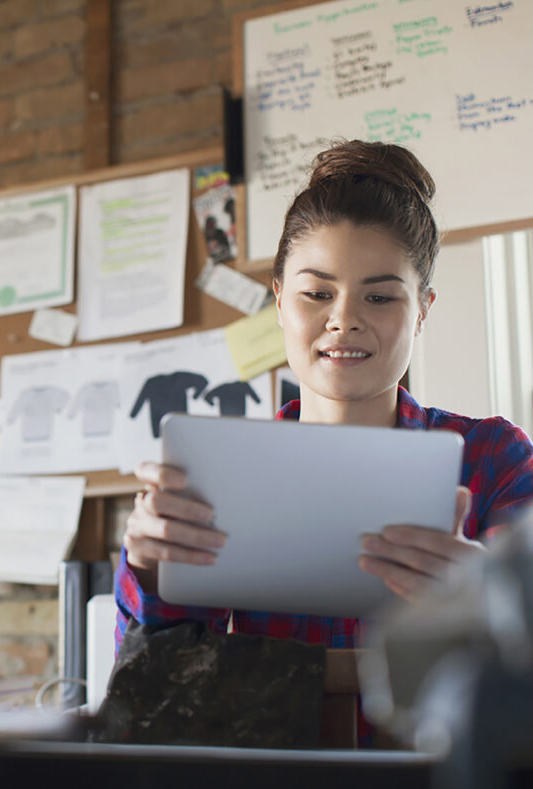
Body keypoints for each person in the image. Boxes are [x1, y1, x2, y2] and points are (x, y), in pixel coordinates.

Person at [117, 140, 533, 699]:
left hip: (445, 784)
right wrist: (147, 566)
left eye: (380, 298)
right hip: (276, 781)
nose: (344, 320)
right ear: (281, 300)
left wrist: (493, 596)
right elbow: (162, 687)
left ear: (423, 310)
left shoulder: (493, 457)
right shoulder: (226, 471)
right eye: (317, 292)